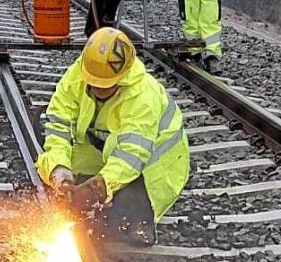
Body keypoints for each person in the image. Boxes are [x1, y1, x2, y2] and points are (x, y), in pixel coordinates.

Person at [37, 27, 189, 245]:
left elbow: (131, 155)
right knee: (70, 177)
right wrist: (61, 174)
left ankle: (140, 220)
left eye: (105, 85)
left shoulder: (142, 96)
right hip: (107, 149)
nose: (98, 88)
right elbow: (58, 130)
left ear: (122, 78)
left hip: (154, 166)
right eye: (94, 83)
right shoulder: (76, 77)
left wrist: (96, 188)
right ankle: (95, 195)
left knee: (123, 219)